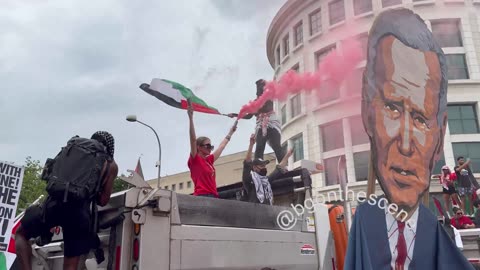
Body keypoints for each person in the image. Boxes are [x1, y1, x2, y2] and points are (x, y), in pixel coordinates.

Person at [344, 8, 473, 269]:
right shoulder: (364, 221)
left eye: (421, 120)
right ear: (366, 110)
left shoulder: (430, 227)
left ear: (440, 135)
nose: (404, 144)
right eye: (392, 108)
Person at [15, 131, 119, 270]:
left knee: (21, 234)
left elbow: (50, 175)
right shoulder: (111, 165)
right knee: (70, 264)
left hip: (54, 204)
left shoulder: (73, 148)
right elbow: (103, 201)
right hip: (79, 214)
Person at [241, 134, 311, 205]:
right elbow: (247, 164)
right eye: (262, 165)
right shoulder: (249, 181)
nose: (264, 167)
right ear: (255, 168)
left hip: (267, 212)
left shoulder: (266, 180)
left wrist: (288, 155)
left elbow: (279, 168)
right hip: (254, 214)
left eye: (265, 165)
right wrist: (251, 145)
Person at [188, 101, 237, 197]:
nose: (210, 149)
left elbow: (221, 146)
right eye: (207, 146)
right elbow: (193, 140)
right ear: (198, 147)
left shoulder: (209, 160)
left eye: (211, 146)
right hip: (202, 196)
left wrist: (231, 132)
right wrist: (191, 118)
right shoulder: (195, 160)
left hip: (213, 195)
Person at [229, 79, 285, 163]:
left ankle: (284, 166)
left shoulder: (269, 97)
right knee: (259, 146)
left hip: (272, 122)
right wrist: (235, 115)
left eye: (261, 88)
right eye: (258, 90)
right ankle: (258, 166)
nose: (259, 92)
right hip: (260, 124)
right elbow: (249, 116)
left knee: (276, 146)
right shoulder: (255, 102)